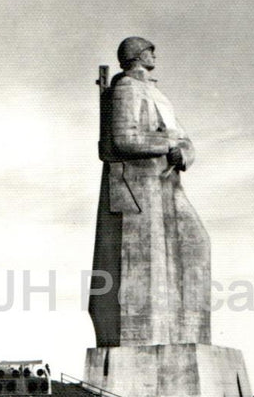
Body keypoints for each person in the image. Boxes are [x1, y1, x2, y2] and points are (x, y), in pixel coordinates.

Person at [89, 37, 211, 348]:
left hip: (167, 185)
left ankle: (189, 338)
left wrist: (183, 153)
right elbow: (122, 140)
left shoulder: (158, 94)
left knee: (197, 244)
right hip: (138, 189)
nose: (154, 53)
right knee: (148, 271)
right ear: (136, 55)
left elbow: (186, 140)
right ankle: (148, 339)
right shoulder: (126, 89)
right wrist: (166, 144)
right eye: (149, 49)